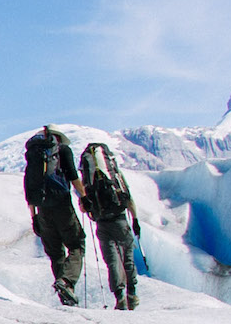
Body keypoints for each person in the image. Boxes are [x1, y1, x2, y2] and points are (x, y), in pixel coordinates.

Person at [19, 126, 89, 306]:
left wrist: (34, 216)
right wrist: (84, 198)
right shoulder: (63, 151)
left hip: (42, 208)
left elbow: (30, 186)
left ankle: (65, 294)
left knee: (55, 251)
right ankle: (66, 283)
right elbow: (73, 177)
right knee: (77, 244)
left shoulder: (34, 155)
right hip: (61, 204)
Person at [77, 139, 142, 310]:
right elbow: (128, 197)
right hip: (120, 219)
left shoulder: (88, 178)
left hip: (102, 224)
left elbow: (84, 207)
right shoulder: (115, 175)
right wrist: (135, 220)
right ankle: (132, 294)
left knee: (112, 261)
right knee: (127, 257)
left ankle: (119, 297)